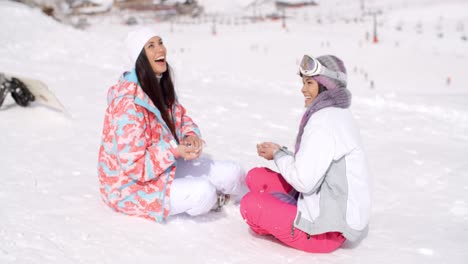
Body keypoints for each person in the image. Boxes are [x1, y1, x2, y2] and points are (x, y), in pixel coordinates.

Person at [97, 27, 247, 223]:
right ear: (138, 58)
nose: (160, 49)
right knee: (203, 193)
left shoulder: (158, 85)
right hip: (129, 186)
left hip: (163, 167)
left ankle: (257, 197)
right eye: (151, 46)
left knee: (233, 172)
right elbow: (135, 166)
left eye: (160, 42)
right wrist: (174, 150)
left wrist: (189, 136)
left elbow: (181, 118)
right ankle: (217, 200)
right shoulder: (128, 104)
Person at [240, 54, 371, 253]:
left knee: (251, 205)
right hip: (327, 203)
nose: (303, 89)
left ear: (327, 85)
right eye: (303, 82)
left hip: (326, 230)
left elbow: (303, 181)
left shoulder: (324, 121)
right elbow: (314, 163)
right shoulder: (337, 113)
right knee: (255, 177)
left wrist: (278, 155)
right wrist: (280, 152)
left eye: (309, 82)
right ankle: (284, 209)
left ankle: (283, 222)